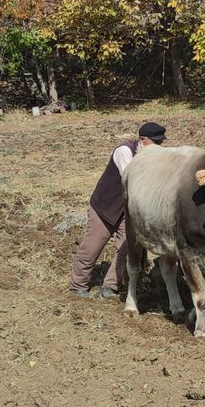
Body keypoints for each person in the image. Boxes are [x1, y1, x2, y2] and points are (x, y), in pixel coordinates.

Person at [70, 122, 167, 298]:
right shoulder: (124, 151)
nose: (159, 147)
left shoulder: (154, 156)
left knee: (127, 250)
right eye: (156, 143)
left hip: (127, 212)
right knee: (92, 246)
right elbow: (130, 180)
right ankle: (79, 285)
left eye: (161, 143)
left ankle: (110, 286)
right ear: (143, 140)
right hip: (105, 207)